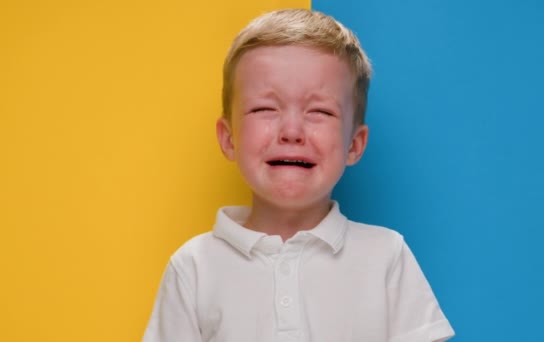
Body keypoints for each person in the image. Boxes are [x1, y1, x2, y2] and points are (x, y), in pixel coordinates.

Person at [143, 8, 454, 342]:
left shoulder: (386, 256)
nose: (291, 131)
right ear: (228, 138)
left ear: (354, 144)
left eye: (319, 111)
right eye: (265, 109)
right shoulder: (193, 267)